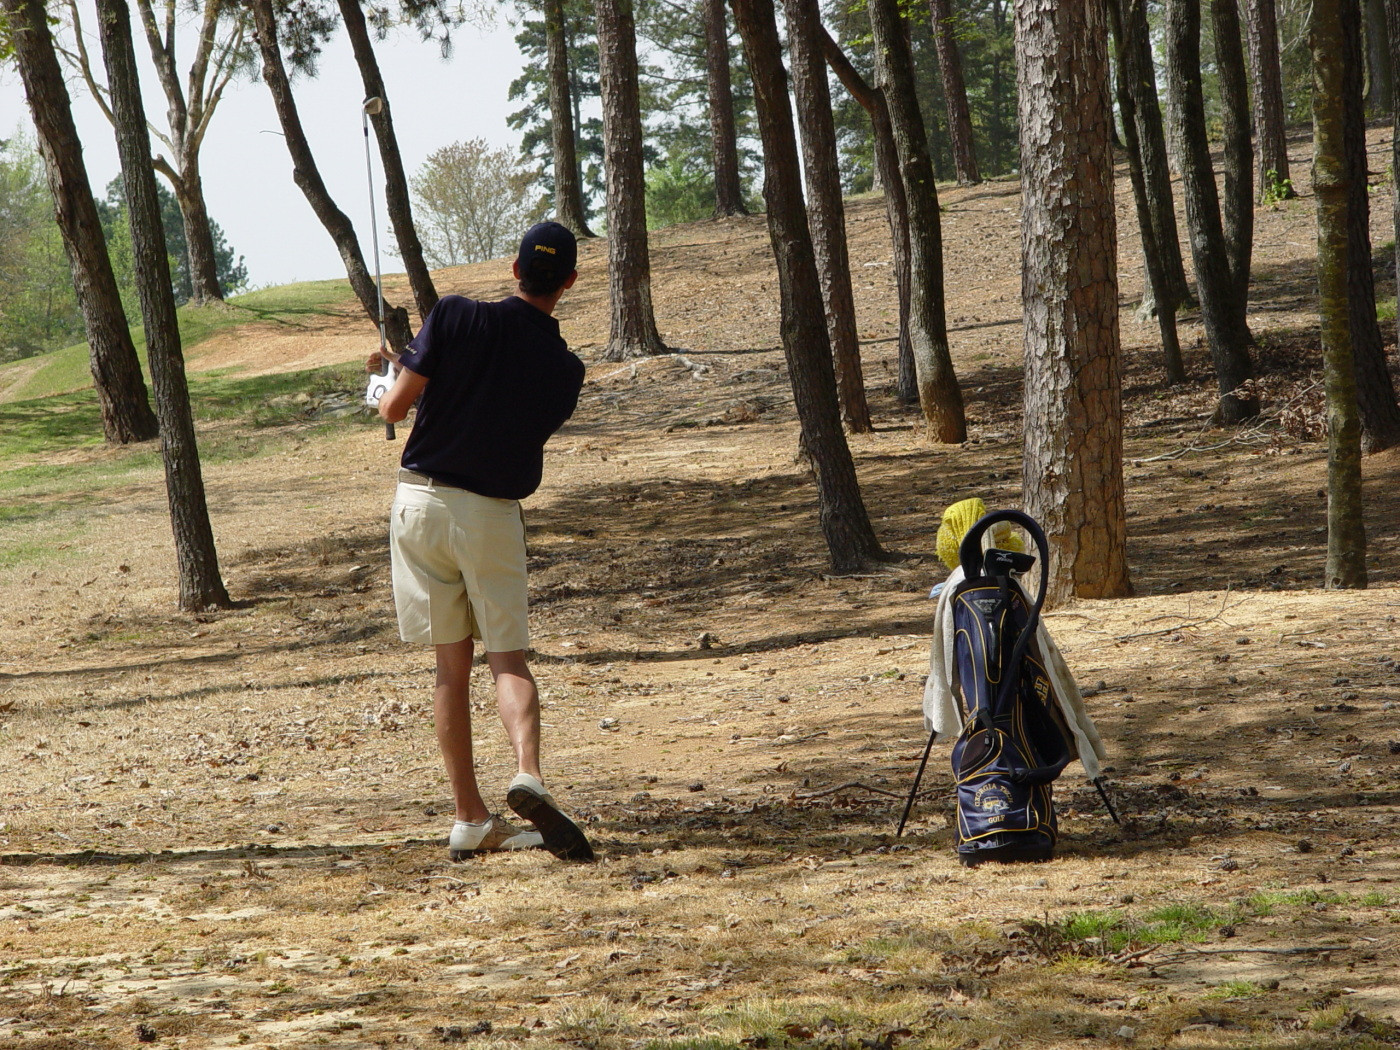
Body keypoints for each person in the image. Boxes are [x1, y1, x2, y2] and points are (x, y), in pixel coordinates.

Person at [374, 221, 593, 862]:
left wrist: (399, 374)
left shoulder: (455, 316)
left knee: (450, 666)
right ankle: (528, 771)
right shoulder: (565, 369)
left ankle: (469, 817)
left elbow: (393, 410)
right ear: (568, 283)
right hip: (490, 514)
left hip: (419, 502)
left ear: (515, 270)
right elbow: (507, 416)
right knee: (508, 658)